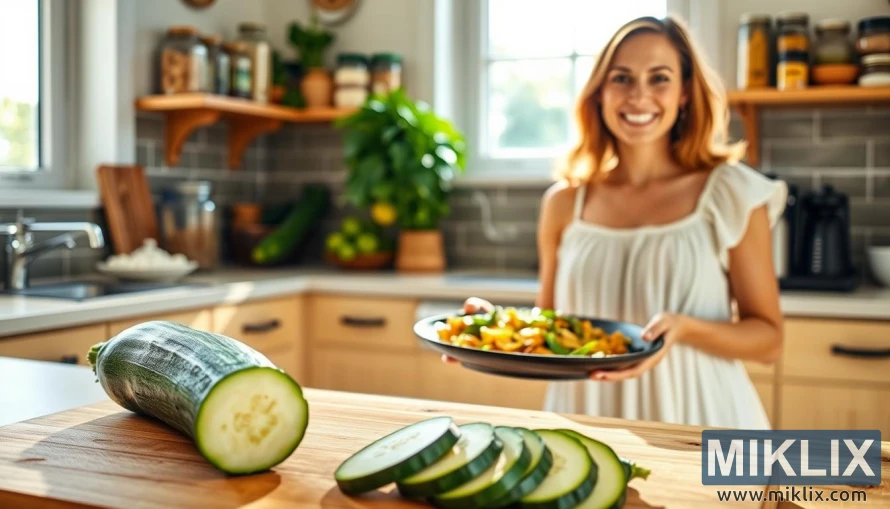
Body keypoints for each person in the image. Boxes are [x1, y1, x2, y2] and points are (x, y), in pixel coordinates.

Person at [452, 15, 787, 430]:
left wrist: (685, 328)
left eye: (659, 78)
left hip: (701, 418)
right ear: (600, 93)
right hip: (584, 422)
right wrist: (492, 330)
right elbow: (552, 328)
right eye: (622, 78)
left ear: (684, 92)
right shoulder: (564, 203)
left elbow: (769, 341)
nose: (639, 96)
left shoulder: (731, 193)